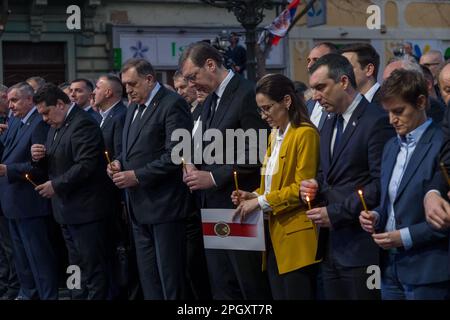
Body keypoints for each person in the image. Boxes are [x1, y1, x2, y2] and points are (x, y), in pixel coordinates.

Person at [179, 41, 271, 300]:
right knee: (222, 284)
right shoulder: (210, 99)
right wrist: (188, 160)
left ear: (210, 64)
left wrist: (212, 176)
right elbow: (203, 143)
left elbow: (258, 151)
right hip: (212, 207)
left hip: (238, 205)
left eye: (192, 77)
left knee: (248, 284)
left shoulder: (246, 94)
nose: (191, 84)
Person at [300, 53, 394, 300]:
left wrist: (336, 213)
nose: (316, 96)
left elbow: (379, 183)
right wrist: (314, 184)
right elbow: (326, 174)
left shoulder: (376, 121)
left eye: (321, 87)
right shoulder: (329, 121)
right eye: (313, 89)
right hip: (329, 247)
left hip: (361, 247)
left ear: (343, 82)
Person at [360, 69, 449, 299]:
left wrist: (404, 236)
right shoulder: (390, 146)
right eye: (388, 112)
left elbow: (444, 217)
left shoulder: (442, 144)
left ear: (421, 102)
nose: (392, 120)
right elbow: (389, 203)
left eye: (399, 111)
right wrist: (376, 216)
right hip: (390, 266)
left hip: (428, 268)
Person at [108, 58, 192, 300]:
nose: (128, 90)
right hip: (138, 206)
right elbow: (134, 148)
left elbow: (177, 154)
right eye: (125, 85)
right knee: (149, 278)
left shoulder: (172, 104)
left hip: (165, 205)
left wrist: (136, 175)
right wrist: (119, 162)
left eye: (132, 84)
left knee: (170, 277)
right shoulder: (133, 107)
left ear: (149, 79)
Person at [232, 74, 320, 299]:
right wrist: (252, 195)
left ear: (287, 101)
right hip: (274, 237)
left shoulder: (305, 133)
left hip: (296, 238)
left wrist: (259, 202)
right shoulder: (274, 135)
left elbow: (302, 188)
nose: (263, 115)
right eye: (260, 109)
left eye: (268, 108)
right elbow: (270, 186)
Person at [31, 83, 113, 300]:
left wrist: (55, 185)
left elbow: (85, 165)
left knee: (93, 268)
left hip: (86, 211)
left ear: (60, 104)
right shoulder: (55, 127)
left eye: (46, 112)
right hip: (65, 211)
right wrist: (38, 157)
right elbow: (54, 163)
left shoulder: (83, 123)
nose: (44, 119)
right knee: (74, 267)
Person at [0, 82, 57, 300]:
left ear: (29, 100)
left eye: (14, 100)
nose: (10, 105)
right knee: (21, 258)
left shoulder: (39, 124)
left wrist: (8, 170)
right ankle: (28, 292)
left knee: (39, 257)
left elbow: (40, 168)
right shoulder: (15, 121)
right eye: (9, 100)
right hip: (12, 202)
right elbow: (5, 148)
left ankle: (47, 295)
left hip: (30, 203)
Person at [305, 42, 338, 132]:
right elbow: (262, 145)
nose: (309, 66)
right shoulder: (308, 105)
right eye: (308, 61)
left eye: (316, 60)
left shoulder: (340, 103)